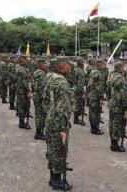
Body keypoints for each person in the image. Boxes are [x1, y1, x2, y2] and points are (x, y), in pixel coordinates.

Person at [45, 59, 73, 191]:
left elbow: (45, 98)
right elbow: (63, 107)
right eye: (68, 65)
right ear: (61, 67)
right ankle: (56, 180)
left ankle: (53, 177)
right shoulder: (61, 83)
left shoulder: (51, 77)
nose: (70, 67)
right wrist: (63, 128)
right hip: (58, 120)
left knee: (52, 149)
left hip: (51, 116)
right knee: (58, 150)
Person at [107, 62, 127, 152]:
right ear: (120, 68)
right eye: (123, 67)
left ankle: (113, 142)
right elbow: (124, 95)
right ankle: (115, 145)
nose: (124, 68)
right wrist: (126, 108)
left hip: (113, 103)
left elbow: (108, 90)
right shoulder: (121, 79)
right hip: (119, 105)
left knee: (112, 123)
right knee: (117, 124)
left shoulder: (112, 76)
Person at [86, 59, 105, 135]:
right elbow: (99, 88)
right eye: (103, 64)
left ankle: (92, 127)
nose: (103, 66)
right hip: (95, 96)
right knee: (96, 113)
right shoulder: (98, 74)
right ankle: (95, 129)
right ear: (99, 65)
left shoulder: (92, 72)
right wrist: (100, 98)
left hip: (91, 95)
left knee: (92, 112)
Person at [31, 58, 47, 140]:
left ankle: (39, 132)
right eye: (44, 63)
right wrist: (46, 98)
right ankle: (39, 133)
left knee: (38, 114)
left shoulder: (36, 72)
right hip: (40, 97)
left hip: (36, 96)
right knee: (40, 115)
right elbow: (42, 88)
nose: (46, 64)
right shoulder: (41, 74)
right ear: (40, 64)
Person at [16, 55, 32, 129]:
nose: (27, 60)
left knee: (23, 105)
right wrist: (28, 91)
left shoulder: (21, 68)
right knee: (22, 106)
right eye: (26, 59)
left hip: (21, 89)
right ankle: (21, 123)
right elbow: (24, 83)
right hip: (23, 91)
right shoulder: (22, 70)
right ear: (22, 60)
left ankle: (22, 121)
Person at [73, 59, 86, 125]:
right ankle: (76, 119)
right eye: (83, 63)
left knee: (77, 104)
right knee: (79, 104)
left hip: (75, 88)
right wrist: (83, 93)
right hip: (79, 90)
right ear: (81, 64)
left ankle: (76, 118)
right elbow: (81, 83)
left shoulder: (76, 70)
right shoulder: (80, 71)